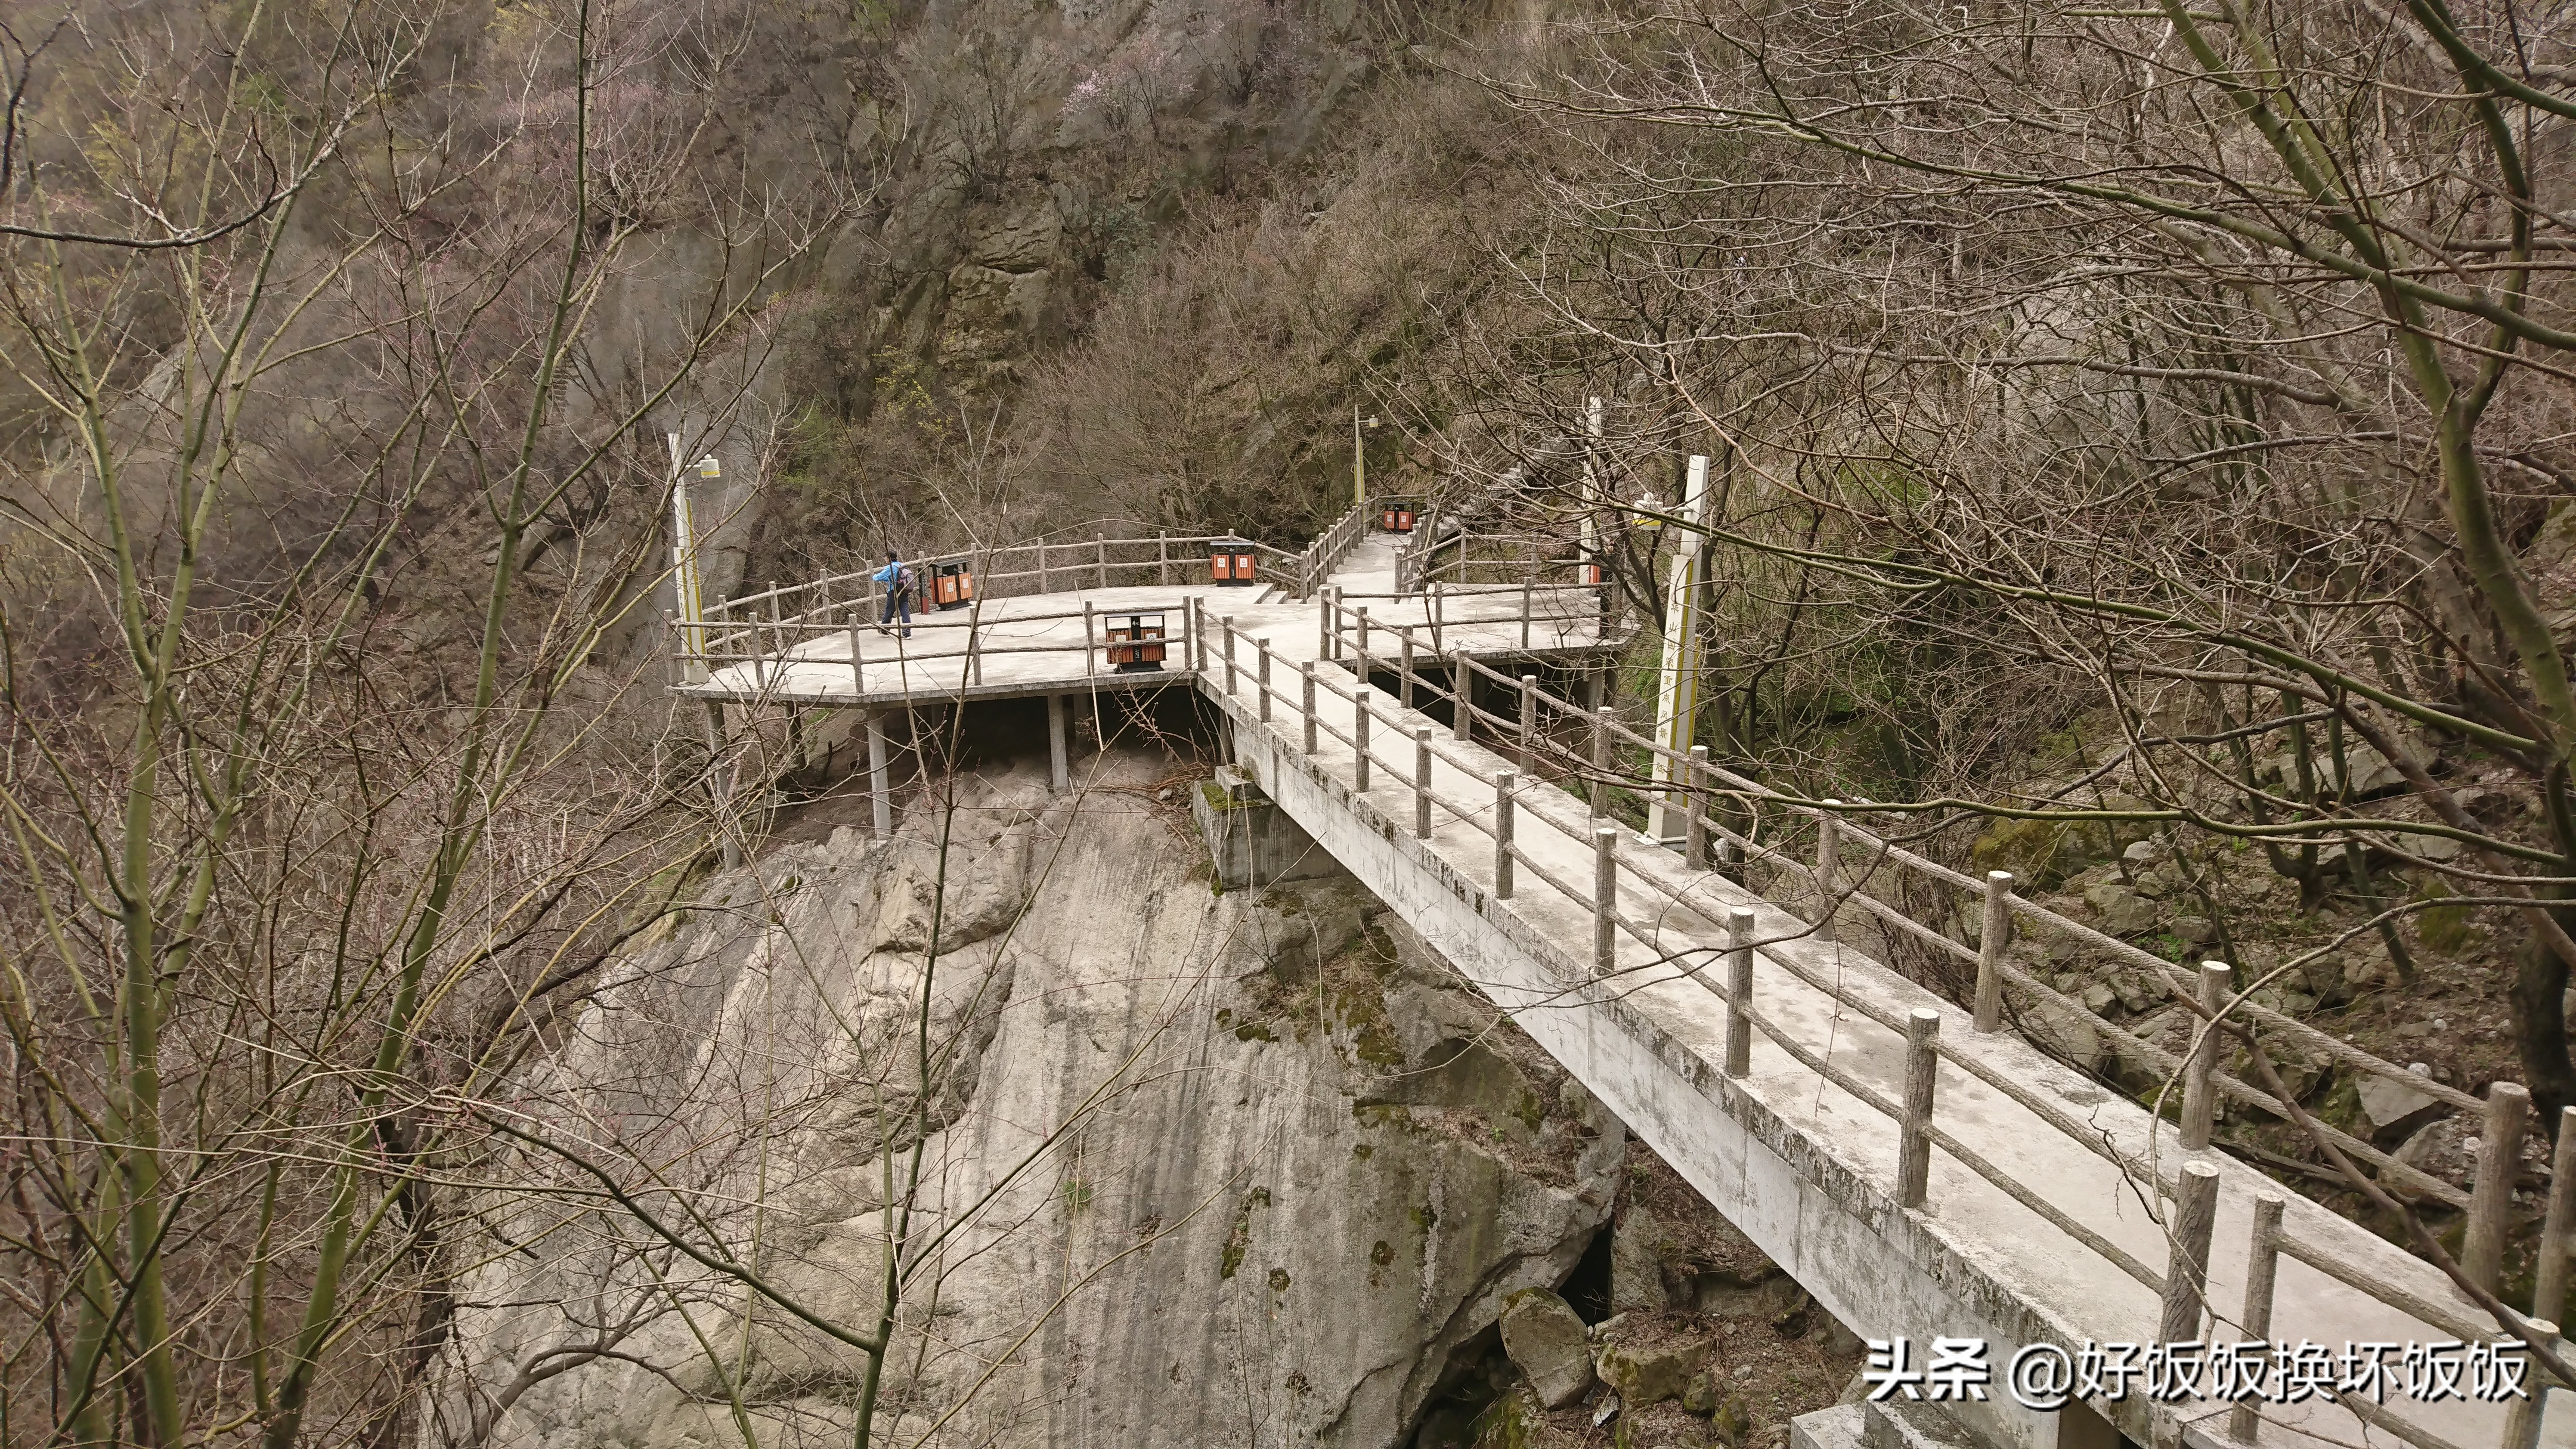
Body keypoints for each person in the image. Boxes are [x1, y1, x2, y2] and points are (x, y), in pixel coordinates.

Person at [872, 550, 914, 637]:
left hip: (894, 591)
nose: (885, 559)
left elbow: (878, 578)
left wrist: (872, 576)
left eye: (886, 557)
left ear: (889, 558)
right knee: (905, 611)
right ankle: (907, 633)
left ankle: (885, 630)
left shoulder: (890, 567)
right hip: (904, 590)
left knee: (889, 611)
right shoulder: (901, 565)